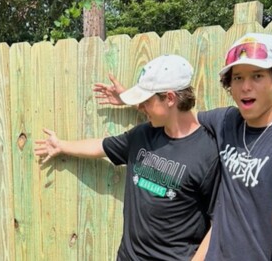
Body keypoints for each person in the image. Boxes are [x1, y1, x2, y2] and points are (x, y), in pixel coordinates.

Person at [94, 33, 272, 261]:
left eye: (257, 76)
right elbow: (178, 115)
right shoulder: (226, 121)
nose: (245, 86)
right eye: (237, 78)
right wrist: (134, 100)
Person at [35, 55, 221, 260]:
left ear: (169, 98)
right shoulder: (142, 135)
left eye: (146, 101)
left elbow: (219, 221)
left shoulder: (208, 152)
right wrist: (61, 145)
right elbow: (101, 146)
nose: (141, 107)